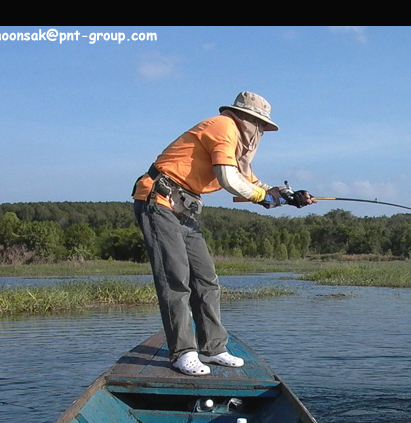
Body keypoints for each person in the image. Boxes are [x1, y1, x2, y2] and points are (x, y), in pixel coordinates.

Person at [132, 91, 316, 376]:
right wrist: (261, 197)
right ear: (246, 118)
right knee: (176, 279)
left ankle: (213, 348)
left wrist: (288, 196)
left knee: (206, 279)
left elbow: (252, 184)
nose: (261, 133)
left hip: (184, 209)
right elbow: (229, 181)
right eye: (260, 125)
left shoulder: (238, 151)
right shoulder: (223, 127)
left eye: (265, 128)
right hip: (158, 201)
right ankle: (183, 352)